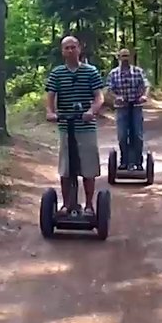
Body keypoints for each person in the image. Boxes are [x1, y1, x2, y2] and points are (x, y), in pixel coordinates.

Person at [45, 36, 105, 216]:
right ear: (62, 51)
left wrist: (92, 111)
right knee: (65, 168)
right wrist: (50, 112)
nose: (70, 51)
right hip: (65, 126)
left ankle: (88, 205)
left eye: (73, 47)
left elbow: (99, 97)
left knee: (88, 167)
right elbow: (50, 95)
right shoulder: (57, 73)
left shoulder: (90, 71)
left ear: (79, 49)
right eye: (66, 48)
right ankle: (67, 204)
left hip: (85, 126)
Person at [107, 48, 149, 170]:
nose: (125, 58)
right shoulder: (114, 73)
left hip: (136, 107)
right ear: (118, 57)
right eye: (122, 56)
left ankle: (138, 162)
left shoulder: (138, 71)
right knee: (122, 136)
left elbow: (146, 85)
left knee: (137, 135)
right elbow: (109, 89)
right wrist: (116, 97)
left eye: (127, 56)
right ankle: (124, 161)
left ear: (130, 57)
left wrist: (144, 96)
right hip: (122, 108)